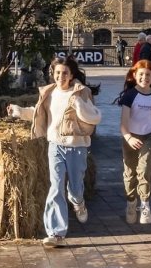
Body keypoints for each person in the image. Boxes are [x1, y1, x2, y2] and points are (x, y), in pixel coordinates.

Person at [7, 56, 102, 248]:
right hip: (55, 146)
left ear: (71, 75)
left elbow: (94, 118)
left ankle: (78, 202)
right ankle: (56, 233)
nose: (60, 76)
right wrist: (19, 111)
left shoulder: (82, 92)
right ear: (53, 74)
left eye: (65, 73)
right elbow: (37, 113)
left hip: (77, 147)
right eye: (57, 72)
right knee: (56, 187)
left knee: (75, 189)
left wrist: (78, 104)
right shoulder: (49, 93)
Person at [118, 59, 151, 225]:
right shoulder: (130, 95)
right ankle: (131, 202)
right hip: (131, 136)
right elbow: (123, 123)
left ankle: (145, 204)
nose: (144, 78)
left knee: (145, 168)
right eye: (141, 74)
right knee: (130, 173)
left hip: (150, 136)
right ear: (134, 75)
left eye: (148, 75)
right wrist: (129, 138)